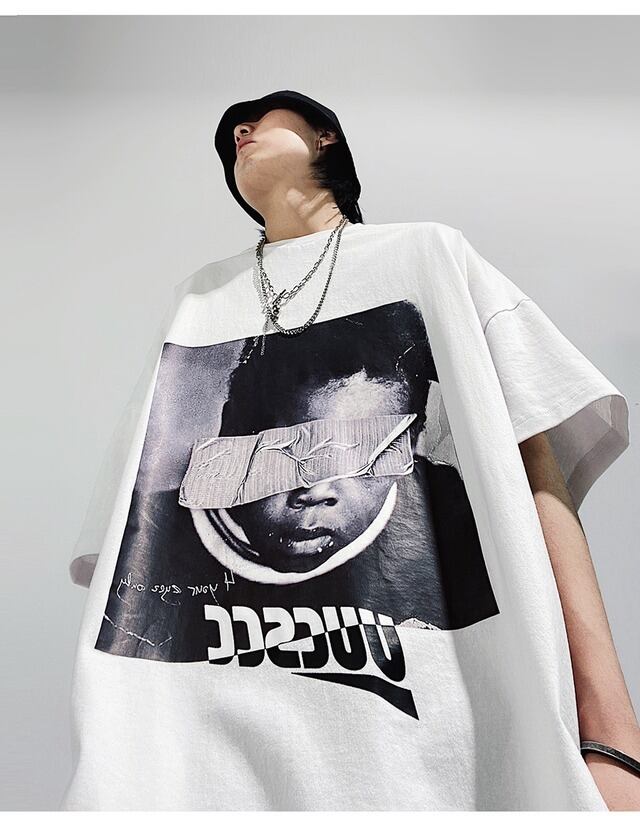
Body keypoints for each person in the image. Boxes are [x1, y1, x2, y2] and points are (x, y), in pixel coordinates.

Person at [62, 90, 639, 811]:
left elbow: (534, 472)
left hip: (433, 756)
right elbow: (129, 552)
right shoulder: (199, 300)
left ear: (325, 137)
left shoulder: (428, 254)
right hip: (198, 763)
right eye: (229, 134)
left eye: (261, 118)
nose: (240, 131)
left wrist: (613, 736)